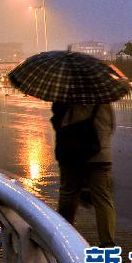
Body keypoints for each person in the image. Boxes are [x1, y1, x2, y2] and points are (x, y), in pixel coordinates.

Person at [51, 103, 116, 247]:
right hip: (100, 153)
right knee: (103, 198)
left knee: (69, 193)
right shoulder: (103, 94)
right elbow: (111, 125)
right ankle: (108, 242)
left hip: (71, 151)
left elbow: (57, 120)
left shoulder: (67, 92)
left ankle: (63, 238)